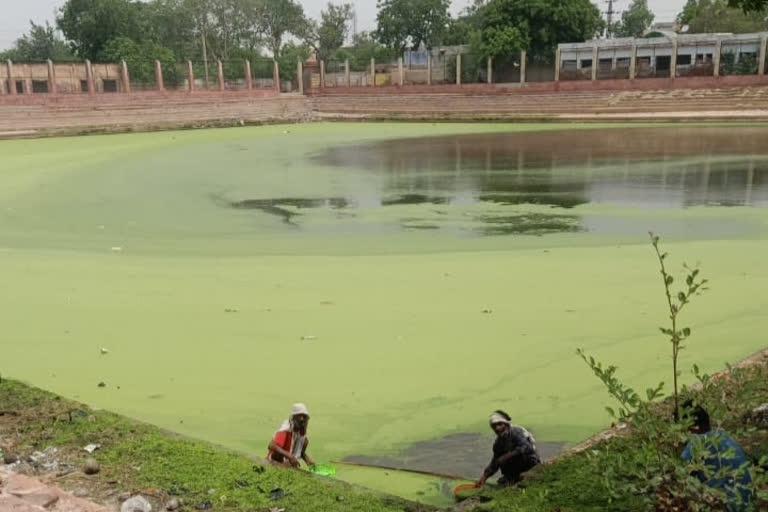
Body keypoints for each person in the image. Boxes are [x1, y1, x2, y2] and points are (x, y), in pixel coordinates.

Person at [681, 401, 752, 512]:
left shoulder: (697, 442)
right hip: (744, 500)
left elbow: (679, 473)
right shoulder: (721, 434)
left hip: (727, 504)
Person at [477, 410, 541, 487]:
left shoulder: (515, 432)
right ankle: (512, 477)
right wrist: (484, 477)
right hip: (515, 468)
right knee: (501, 461)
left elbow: (527, 447)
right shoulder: (498, 443)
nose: (497, 428)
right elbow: (495, 462)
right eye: (494, 426)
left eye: (500, 424)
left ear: (506, 424)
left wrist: (507, 456)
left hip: (529, 464)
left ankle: (520, 477)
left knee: (506, 458)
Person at [267, 403, 315, 468]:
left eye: (304, 417)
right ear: (293, 417)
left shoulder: (303, 438)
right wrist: (290, 456)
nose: (302, 419)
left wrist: (306, 458)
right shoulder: (285, 431)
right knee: (279, 449)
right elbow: (271, 445)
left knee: (305, 442)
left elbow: (300, 452)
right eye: (299, 416)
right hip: (274, 462)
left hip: (288, 463)